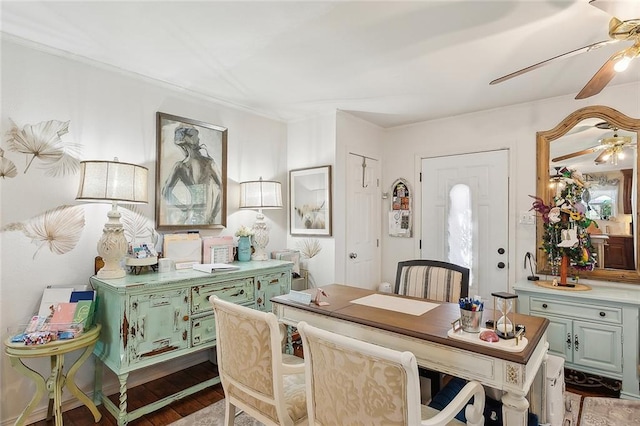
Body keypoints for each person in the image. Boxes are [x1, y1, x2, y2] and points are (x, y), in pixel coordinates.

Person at [162, 124, 222, 225]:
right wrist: (213, 215)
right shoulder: (209, 163)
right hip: (206, 218)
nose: (199, 139)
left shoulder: (180, 166)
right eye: (196, 136)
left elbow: (165, 192)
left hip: (191, 217)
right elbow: (223, 190)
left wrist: (185, 208)